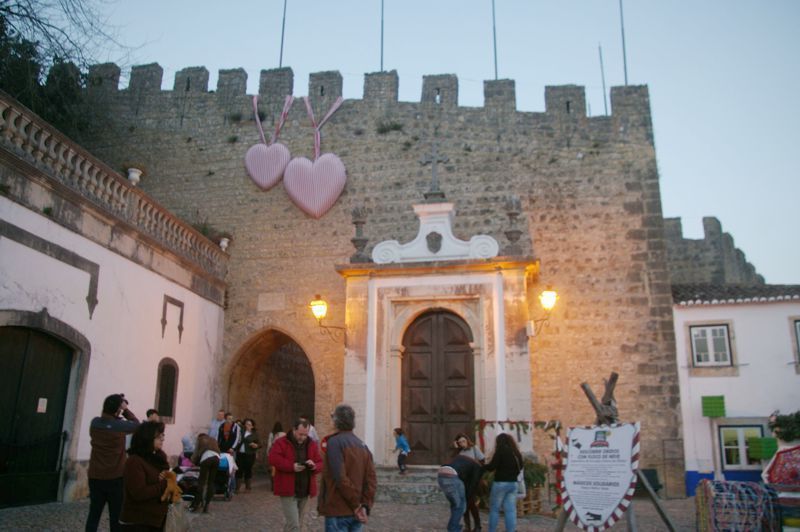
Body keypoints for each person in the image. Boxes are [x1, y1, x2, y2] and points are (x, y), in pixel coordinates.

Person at [85, 393, 140, 532]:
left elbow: (105, 419)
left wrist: (116, 408)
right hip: (115, 477)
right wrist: (125, 409)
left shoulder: (95, 423)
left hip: (95, 476)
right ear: (117, 410)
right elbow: (136, 424)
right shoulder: (119, 426)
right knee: (115, 516)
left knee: (94, 514)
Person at [318, 404, 377, 531]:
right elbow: (371, 480)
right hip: (356, 511)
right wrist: (364, 506)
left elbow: (340, 477)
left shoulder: (334, 442)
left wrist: (357, 505)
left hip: (338, 510)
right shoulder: (363, 446)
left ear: (336, 421)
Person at [268, 418, 323, 532]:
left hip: (305, 490)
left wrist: (314, 466)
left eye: (305, 434)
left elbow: (320, 462)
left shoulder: (311, 444)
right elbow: (273, 458)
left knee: (296, 524)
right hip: (288, 490)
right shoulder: (281, 442)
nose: (302, 437)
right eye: (300, 434)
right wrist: (291, 466)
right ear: (294, 430)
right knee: (294, 525)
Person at [118, 421, 170, 530]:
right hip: (138, 522)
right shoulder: (134, 462)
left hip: (155, 520)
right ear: (147, 438)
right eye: (158, 436)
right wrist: (164, 484)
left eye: (162, 435)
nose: (162, 439)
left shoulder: (158, 458)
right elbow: (139, 493)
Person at [484, 433, 523, 532]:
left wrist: (483, 466)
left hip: (500, 483)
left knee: (494, 510)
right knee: (510, 510)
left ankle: (492, 530)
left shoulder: (500, 451)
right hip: (513, 484)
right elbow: (521, 466)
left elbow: (492, 466)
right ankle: (511, 530)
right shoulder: (516, 452)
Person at [438, 452, 483, 532]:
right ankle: (454, 528)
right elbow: (473, 484)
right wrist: (468, 497)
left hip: (441, 474)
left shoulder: (464, 460)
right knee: (460, 506)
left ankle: (456, 526)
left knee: (455, 504)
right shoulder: (478, 467)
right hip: (452, 476)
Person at [454, 433, 485, 531]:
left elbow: (482, 460)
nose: (462, 443)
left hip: (473, 480)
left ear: (467, 440)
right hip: (463, 480)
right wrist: (456, 448)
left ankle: (477, 526)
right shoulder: (459, 452)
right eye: (460, 442)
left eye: (463, 441)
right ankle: (467, 526)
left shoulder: (474, 448)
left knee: (471, 503)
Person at [190, 432, 221, 513]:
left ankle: (196, 504)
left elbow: (196, 453)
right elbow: (218, 450)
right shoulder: (213, 439)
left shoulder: (200, 440)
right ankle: (207, 505)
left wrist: (193, 461)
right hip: (217, 458)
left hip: (206, 458)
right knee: (211, 482)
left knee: (201, 482)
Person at [235, 418, 261, 492]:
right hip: (240, 453)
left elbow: (260, 444)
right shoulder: (241, 432)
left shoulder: (255, 434)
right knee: (239, 470)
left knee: (248, 470)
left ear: (252, 426)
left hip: (249, 454)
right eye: (246, 424)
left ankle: (248, 487)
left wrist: (255, 445)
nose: (248, 426)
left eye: (249, 424)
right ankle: (237, 488)